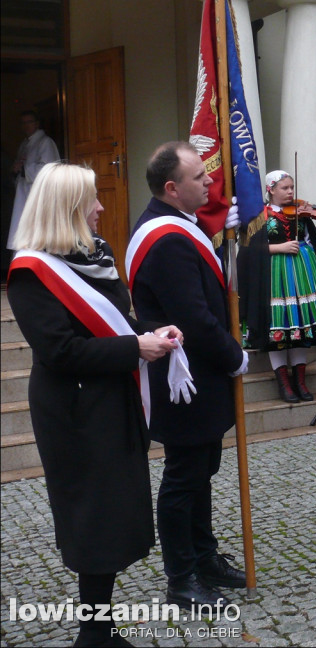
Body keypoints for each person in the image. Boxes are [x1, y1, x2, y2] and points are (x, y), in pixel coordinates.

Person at [7, 163, 182, 647]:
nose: (102, 208)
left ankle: (100, 626)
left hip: (112, 396)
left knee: (117, 509)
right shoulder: (30, 271)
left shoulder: (96, 252)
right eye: (92, 200)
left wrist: (148, 334)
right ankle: (94, 632)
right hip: (74, 410)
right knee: (91, 514)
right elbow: (60, 351)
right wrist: (135, 349)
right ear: (66, 208)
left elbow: (114, 318)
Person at [128, 142, 248, 607]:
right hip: (185, 379)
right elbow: (194, 318)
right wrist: (233, 356)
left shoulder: (183, 228)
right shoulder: (168, 239)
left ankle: (204, 556)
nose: (210, 183)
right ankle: (182, 576)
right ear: (173, 188)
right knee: (184, 478)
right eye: (200, 177)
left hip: (198, 379)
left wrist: (225, 247)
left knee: (201, 473)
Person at [239, 170, 316, 402]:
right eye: (285, 188)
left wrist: (306, 225)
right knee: (279, 327)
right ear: (270, 190)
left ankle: (300, 381)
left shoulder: (300, 212)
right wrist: (277, 248)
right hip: (274, 275)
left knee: (300, 328)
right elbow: (247, 250)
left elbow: (312, 241)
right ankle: (285, 383)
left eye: (292, 187)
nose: (291, 192)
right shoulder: (259, 215)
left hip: (303, 272)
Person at [6, 110, 60, 251]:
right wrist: (16, 170)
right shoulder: (25, 144)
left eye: (29, 122)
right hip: (23, 193)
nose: (26, 126)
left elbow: (50, 168)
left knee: (38, 233)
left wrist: (24, 169)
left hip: (39, 195)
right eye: (23, 123)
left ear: (37, 123)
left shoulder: (45, 142)